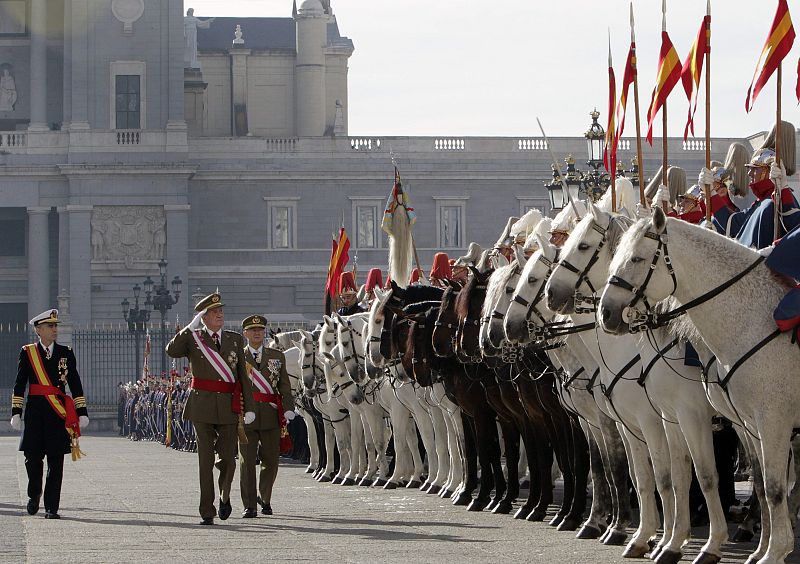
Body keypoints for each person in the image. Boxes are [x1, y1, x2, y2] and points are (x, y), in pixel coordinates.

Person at [166, 292, 255, 525]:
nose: (220, 315)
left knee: (228, 459)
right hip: (202, 406)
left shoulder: (234, 339)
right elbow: (171, 351)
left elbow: (242, 377)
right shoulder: (193, 339)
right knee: (204, 461)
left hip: (228, 406)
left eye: (221, 311)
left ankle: (225, 494)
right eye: (214, 312)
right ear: (203, 317)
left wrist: (249, 407)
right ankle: (207, 509)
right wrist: (189, 327)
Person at [10, 309, 89, 519]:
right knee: (32, 459)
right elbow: (19, 384)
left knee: (56, 461)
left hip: (58, 414)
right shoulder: (27, 352)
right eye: (50, 326)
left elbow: (75, 383)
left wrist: (81, 411)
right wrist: (16, 412)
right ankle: (34, 495)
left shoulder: (66, 352)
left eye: (56, 326)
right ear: (39, 329)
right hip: (35, 413)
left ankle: (52, 507)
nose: (55, 329)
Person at [239, 315, 295, 518]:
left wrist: (288, 407)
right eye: (252, 330)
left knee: (271, 461)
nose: (257, 333)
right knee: (246, 462)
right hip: (246, 416)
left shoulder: (276, 356)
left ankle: (265, 498)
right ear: (245, 333)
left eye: (260, 330)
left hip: (271, 415)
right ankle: (249, 505)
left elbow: (284, 386)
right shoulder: (238, 357)